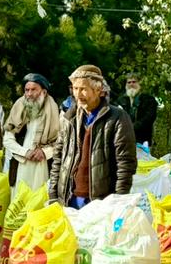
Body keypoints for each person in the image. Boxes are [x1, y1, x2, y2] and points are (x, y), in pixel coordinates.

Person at [49, 65, 137, 209]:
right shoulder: (69, 118)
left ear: (98, 90)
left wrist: (119, 200)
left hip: (101, 200)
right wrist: (53, 196)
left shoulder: (117, 118)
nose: (78, 94)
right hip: (69, 197)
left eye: (83, 89)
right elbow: (58, 158)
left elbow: (125, 164)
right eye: (75, 88)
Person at [4, 73, 60, 190]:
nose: (29, 94)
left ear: (43, 92)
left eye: (33, 90)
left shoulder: (54, 110)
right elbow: (7, 139)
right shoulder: (19, 107)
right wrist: (25, 152)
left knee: (39, 201)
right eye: (27, 90)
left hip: (42, 165)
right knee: (18, 201)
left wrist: (45, 152)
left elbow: (61, 142)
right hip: (21, 163)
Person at [117, 73, 158, 146]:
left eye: (134, 82)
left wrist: (131, 128)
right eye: (129, 82)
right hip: (123, 141)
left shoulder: (149, 100)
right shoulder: (121, 100)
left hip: (142, 141)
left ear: (139, 83)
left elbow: (148, 119)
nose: (131, 84)